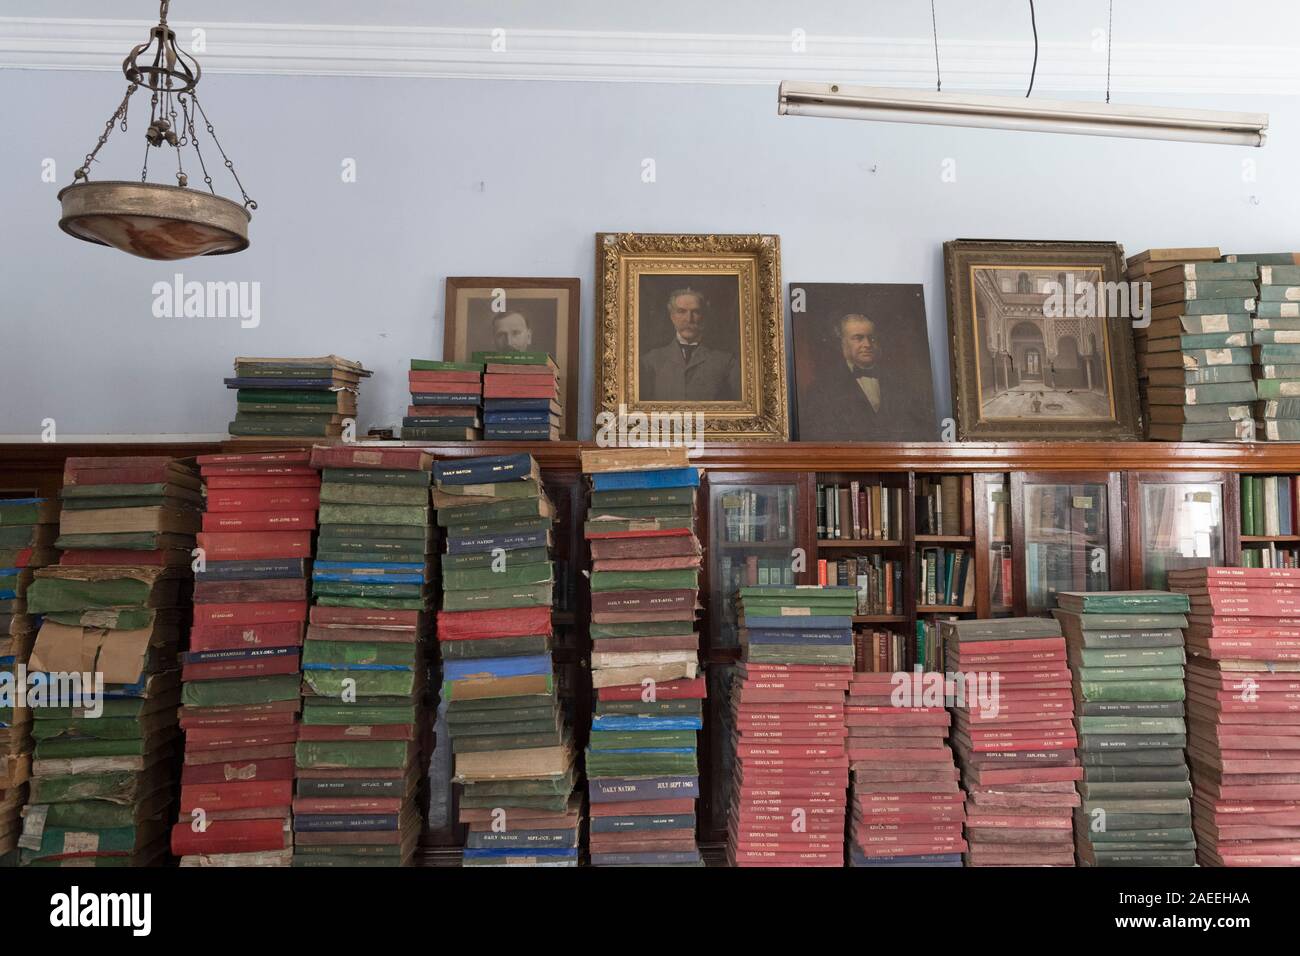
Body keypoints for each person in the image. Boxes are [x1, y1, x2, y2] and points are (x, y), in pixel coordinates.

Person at [800, 313, 935, 441]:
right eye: (858, 338)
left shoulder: (901, 384)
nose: (867, 345)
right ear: (843, 343)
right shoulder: (822, 389)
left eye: (872, 338)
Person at [639, 287, 741, 402]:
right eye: (681, 311)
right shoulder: (650, 361)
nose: (689, 319)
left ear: (704, 317)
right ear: (672, 316)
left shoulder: (727, 362)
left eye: (696, 312)